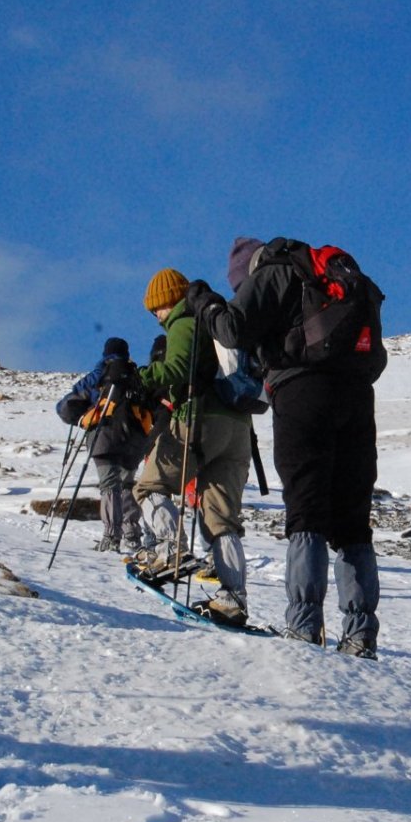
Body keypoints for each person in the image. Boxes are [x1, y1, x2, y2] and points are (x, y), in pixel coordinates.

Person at [186, 237, 385, 659]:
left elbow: (233, 329)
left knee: (306, 512)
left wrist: (206, 303)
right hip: (357, 397)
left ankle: (304, 626)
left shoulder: (272, 273)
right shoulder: (327, 275)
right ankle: (361, 635)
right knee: (352, 522)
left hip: (302, 394)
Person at [130, 268, 254, 628]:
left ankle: (171, 549)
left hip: (200, 421)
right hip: (239, 429)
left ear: (167, 300)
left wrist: (142, 377)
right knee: (221, 519)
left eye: (156, 309)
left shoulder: (185, 321)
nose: (156, 317)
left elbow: (179, 369)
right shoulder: (217, 320)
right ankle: (233, 598)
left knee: (148, 486)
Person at [55, 337, 153, 553]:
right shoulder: (137, 376)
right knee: (127, 485)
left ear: (106, 353)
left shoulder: (99, 375)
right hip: (135, 440)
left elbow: (64, 406)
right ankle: (132, 534)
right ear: (127, 354)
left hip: (105, 437)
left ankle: (110, 537)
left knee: (110, 486)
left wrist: (80, 418)